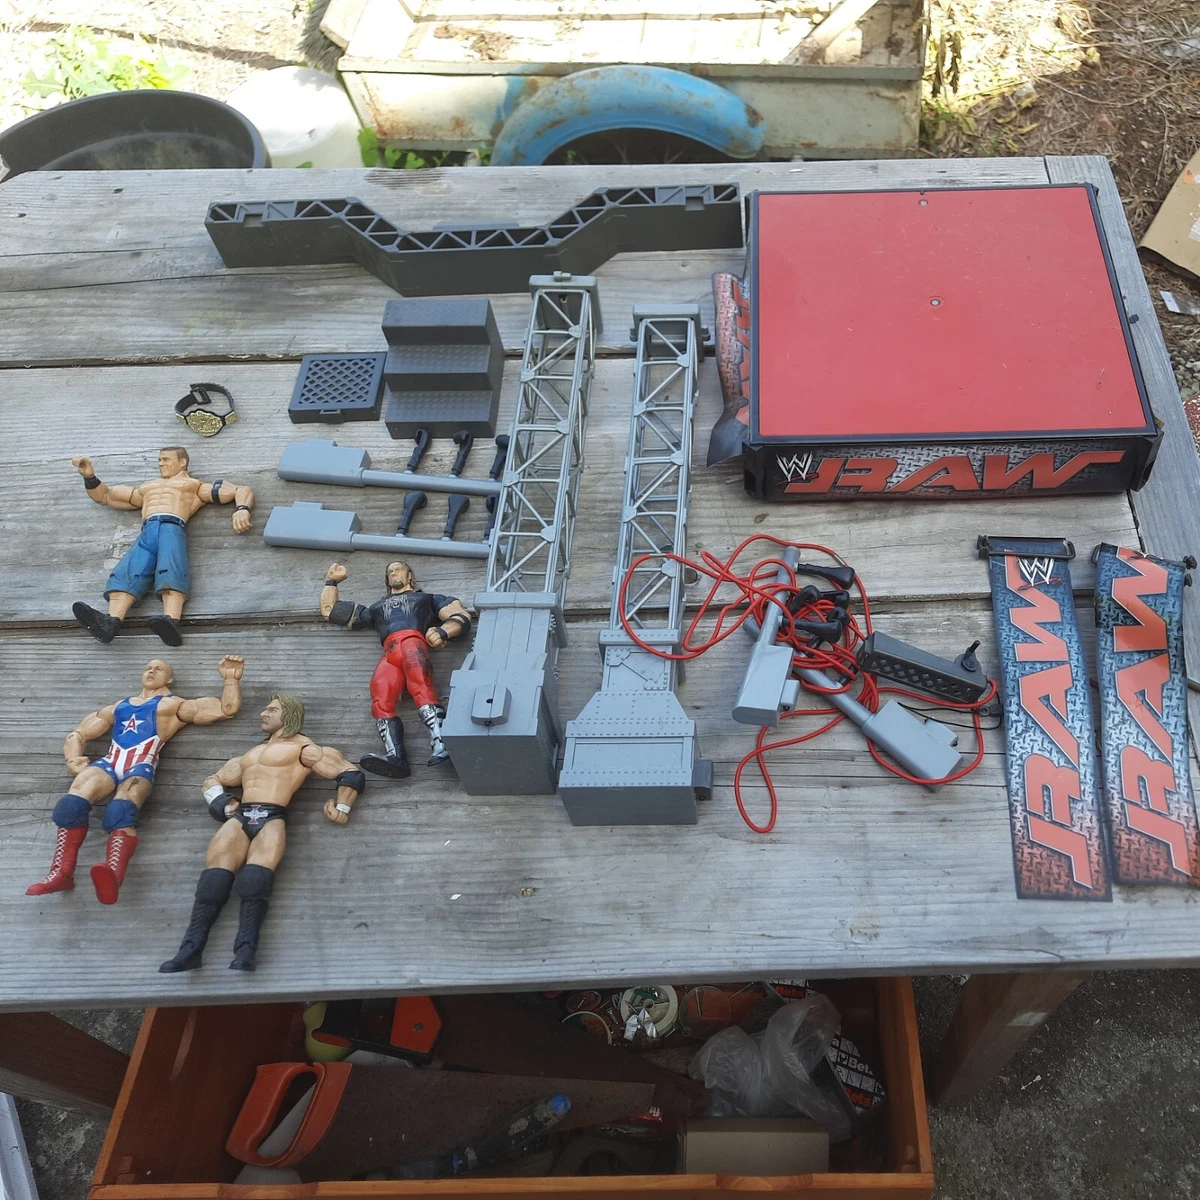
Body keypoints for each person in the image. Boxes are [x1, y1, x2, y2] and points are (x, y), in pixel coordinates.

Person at [159, 694, 364, 973]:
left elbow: (349, 773)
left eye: (272, 709)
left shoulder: (304, 748)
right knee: (212, 882)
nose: (263, 714)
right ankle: (190, 950)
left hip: (272, 815)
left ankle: (246, 950)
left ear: (288, 715)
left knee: (255, 882)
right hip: (241, 815)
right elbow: (212, 780)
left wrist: (342, 807)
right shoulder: (251, 754)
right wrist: (223, 803)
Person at [27, 655, 245, 904]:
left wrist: (231, 680)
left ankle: (113, 874)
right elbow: (78, 733)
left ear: (170, 678)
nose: (151, 671)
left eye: (159, 669)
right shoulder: (118, 707)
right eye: (148, 667)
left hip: (140, 765)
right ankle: (60, 873)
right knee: (71, 804)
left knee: (121, 810)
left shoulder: (172, 705)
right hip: (109, 762)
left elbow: (225, 709)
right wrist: (73, 758)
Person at [71, 446, 254, 646]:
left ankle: (172, 621)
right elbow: (106, 496)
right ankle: (111, 622)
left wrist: (242, 509)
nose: (161, 463)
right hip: (148, 530)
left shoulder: (194, 486)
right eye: (159, 459)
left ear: (182, 462)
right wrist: (90, 477)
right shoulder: (148, 487)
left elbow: (240, 490)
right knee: (128, 571)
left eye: (166, 459)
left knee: (172, 569)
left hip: (171, 526)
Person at [319, 560, 471, 778]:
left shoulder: (427, 599)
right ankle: (395, 756)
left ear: (410, 576)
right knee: (380, 698)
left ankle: (443, 742)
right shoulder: (376, 608)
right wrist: (331, 582)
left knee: (422, 687)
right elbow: (330, 611)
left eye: (398, 569)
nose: (393, 573)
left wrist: (444, 631)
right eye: (389, 571)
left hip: (412, 641)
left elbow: (460, 615)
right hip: (389, 651)